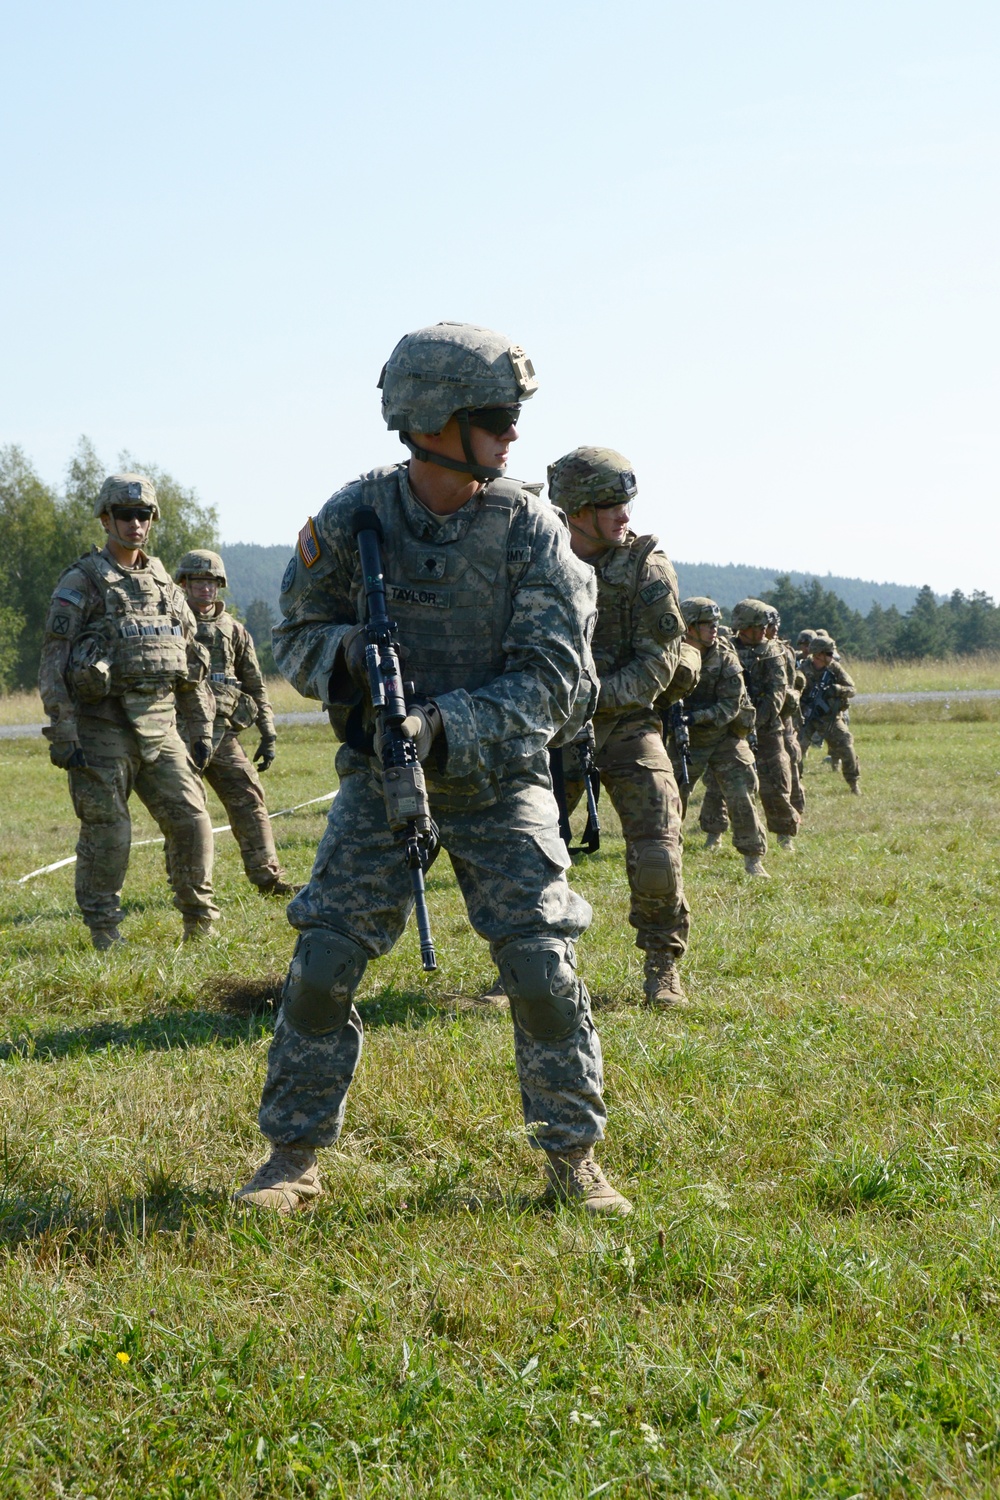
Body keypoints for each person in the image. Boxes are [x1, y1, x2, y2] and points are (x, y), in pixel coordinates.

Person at [236, 321, 630, 1217]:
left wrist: (443, 724)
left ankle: (572, 1159)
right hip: (381, 776)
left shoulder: (530, 529)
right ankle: (290, 1157)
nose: (514, 431)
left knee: (539, 968)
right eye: (495, 413)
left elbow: (557, 682)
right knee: (325, 962)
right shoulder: (354, 516)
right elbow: (292, 635)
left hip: (500, 777)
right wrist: (349, 664)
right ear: (431, 417)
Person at [38, 473, 219, 947]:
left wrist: (199, 726)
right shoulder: (83, 580)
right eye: (125, 515)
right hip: (102, 727)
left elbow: (191, 660)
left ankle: (199, 924)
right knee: (109, 831)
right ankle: (105, 932)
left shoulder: (165, 582)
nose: (135, 524)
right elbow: (54, 660)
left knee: (193, 820)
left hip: (161, 725)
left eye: (144, 515)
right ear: (106, 519)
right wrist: (63, 729)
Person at [545, 447, 698, 1005]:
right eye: (609, 503)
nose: (623, 514)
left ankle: (662, 965)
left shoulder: (646, 568)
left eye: (625, 501)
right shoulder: (541, 559)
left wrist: (591, 697)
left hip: (625, 723)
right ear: (576, 510)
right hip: (552, 728)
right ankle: (529, 963)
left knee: (657, 844)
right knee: (527, 849)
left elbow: (657, 662)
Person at [174, 550, 297, 897]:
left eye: (211, 582)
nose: (205, 589)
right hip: (182, 732)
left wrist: (268, 732)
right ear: (184, 584)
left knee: (249, 798)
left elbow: (256, 685)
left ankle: (269, 879)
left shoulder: (234, 631)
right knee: (186, 810)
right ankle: (190, 888)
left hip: (225, 732)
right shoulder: (171, 624)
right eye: (198, 582)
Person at [664, 598, 769, 876]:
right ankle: (669, 853)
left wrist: (694, 717)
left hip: (725, 735)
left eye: (715, 623)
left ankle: (752, 858)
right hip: (686, 738)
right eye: (707, 624)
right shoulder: (670, 654)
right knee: (671, 795)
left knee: (741, 791)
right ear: (688, 627)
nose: (714, 629)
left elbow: (730, 706)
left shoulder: (725, 657)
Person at [701, 598, 800, 851]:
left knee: (775, 782)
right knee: (717, 783)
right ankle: (714, 833)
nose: (763, 630)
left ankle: (784, 834)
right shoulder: (726, 649)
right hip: (730, 728)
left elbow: (776, 692)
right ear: (743, 627)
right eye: (758, 625)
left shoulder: (773, 652)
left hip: (767, 728)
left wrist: (755, 722)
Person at [799, 637, 860, 793]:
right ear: (818, 654)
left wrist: (838, 689)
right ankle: (795, 785)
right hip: (806, 717)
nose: (832, 656)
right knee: (795, 750)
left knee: (846, 745)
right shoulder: (802, 669)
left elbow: (852, 689)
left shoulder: (835, 669)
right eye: (828, 653)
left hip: (829, 717)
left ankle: (853, 784)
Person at [766, 607, 806, 818]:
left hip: (783, 718)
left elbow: (791, 683)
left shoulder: (784, 651)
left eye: (775, 626)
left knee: (790, 762)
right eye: (769, 626)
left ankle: (796, 809)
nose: (773, 630)